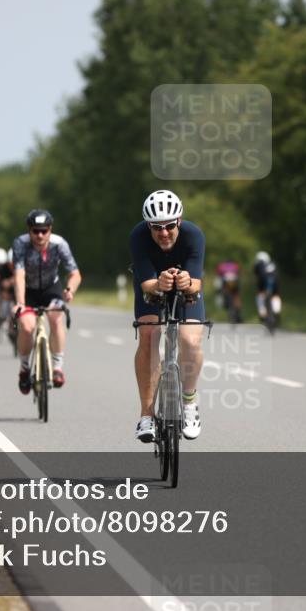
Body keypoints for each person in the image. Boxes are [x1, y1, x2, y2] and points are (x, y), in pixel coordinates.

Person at [130, 190, 205, 443]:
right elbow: (146, 285)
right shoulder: (138, 237)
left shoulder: (194, 235)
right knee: (150, 334)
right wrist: (159, 283)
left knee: (190, 340)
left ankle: (190, 402)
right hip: (152, 287)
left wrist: (187, 281)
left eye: (169, 225)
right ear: (147, 225)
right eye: (156, 227)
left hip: (186, 290)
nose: (163, 232)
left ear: (179, 221)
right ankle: (147, 414)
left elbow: (197, 284)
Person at [11, 209, 82, 393]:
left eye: (44, 230)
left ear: (50, 229)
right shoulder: (20, 243)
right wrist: (20, 302)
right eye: (35, 231)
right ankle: (25, 368)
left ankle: (57, 366)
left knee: (57, 318)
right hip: (28, 291)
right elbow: (19, 274)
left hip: (52, 288)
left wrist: (70, 290)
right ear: (29, 230)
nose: (40, 235)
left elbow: (74, 273)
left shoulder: (59, 244)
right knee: (27, 326)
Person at [254, 251, 281, 324]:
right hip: (275, 281)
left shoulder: (258, 264)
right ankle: (277, 310)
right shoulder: (273, 263)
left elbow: (257, 275)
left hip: (263, 281)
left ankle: (262, 313)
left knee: (260, 295)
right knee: (275, 295)